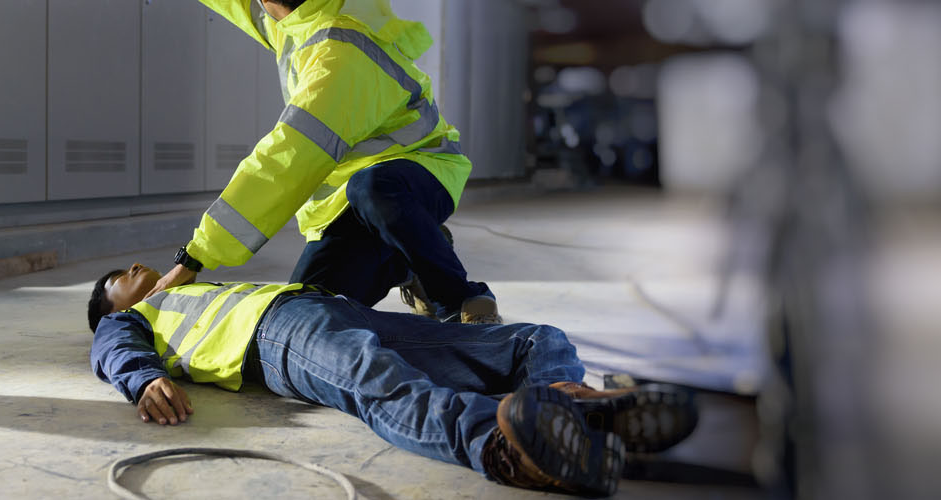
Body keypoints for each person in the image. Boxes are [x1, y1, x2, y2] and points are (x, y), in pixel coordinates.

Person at [87, 264, 699, 496]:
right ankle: (506, 446)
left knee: (536, 339)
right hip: (277, 339)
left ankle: (567, 404)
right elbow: (112, 347)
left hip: (337, 309)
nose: (137, 267)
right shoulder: (134, 319)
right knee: (385, 385)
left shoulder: (200, 285)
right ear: (116, 304)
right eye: (121, 275)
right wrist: (142, 381)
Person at [146, 0, 499, 324]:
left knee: (374, 189)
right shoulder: (285, 17)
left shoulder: (340, 51)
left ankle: (459, 298)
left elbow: (283, 163)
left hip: (418, 169)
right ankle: (408, 259)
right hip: (344, 203)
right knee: (305, 315)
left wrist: (196, 256)